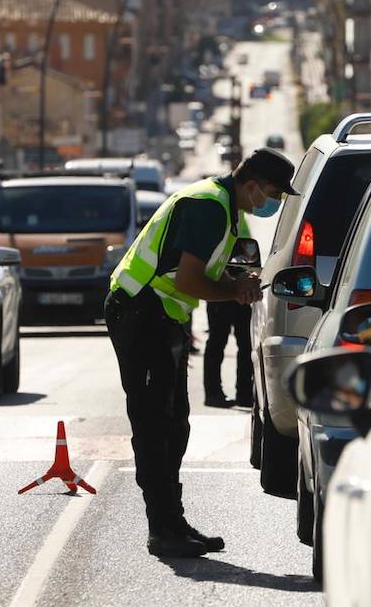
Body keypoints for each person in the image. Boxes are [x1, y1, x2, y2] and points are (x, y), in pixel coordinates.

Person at [105, 147, 297, 558]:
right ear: (252, 184)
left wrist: (234, 279)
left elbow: (198, 271)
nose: (273, 204)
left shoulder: (226, 207)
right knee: (155, 425)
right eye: (274, 195)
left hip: (161, 316)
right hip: (142, 313)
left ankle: (172, 521)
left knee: (175, 425)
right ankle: (162, 529)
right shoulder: (209, 206)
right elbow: (191, 280)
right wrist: (235, 290)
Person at [203, 212, 255, 408]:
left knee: (245, 344)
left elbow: (250, 253)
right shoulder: (219, 215)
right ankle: (213, 393)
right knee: (217, 341)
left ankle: (244, 394)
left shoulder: (239, 215)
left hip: (239, 286)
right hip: (219, 288)